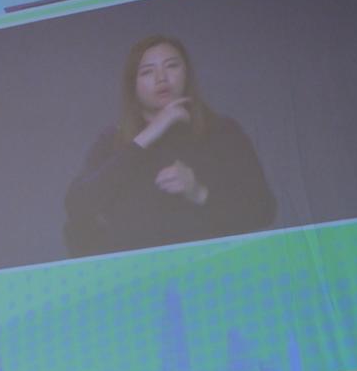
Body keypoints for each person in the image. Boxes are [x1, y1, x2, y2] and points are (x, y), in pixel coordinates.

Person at [63, 34, 274, 257]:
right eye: (147, 72)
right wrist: (151, 132)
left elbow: (263, 210)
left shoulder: (222, 132)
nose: (161, 78)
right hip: (138, 275)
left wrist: (199, 193)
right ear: (132, 84)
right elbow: (77, 205)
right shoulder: (113, 140)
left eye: (171, 66)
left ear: (186, 73)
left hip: (209, 269)